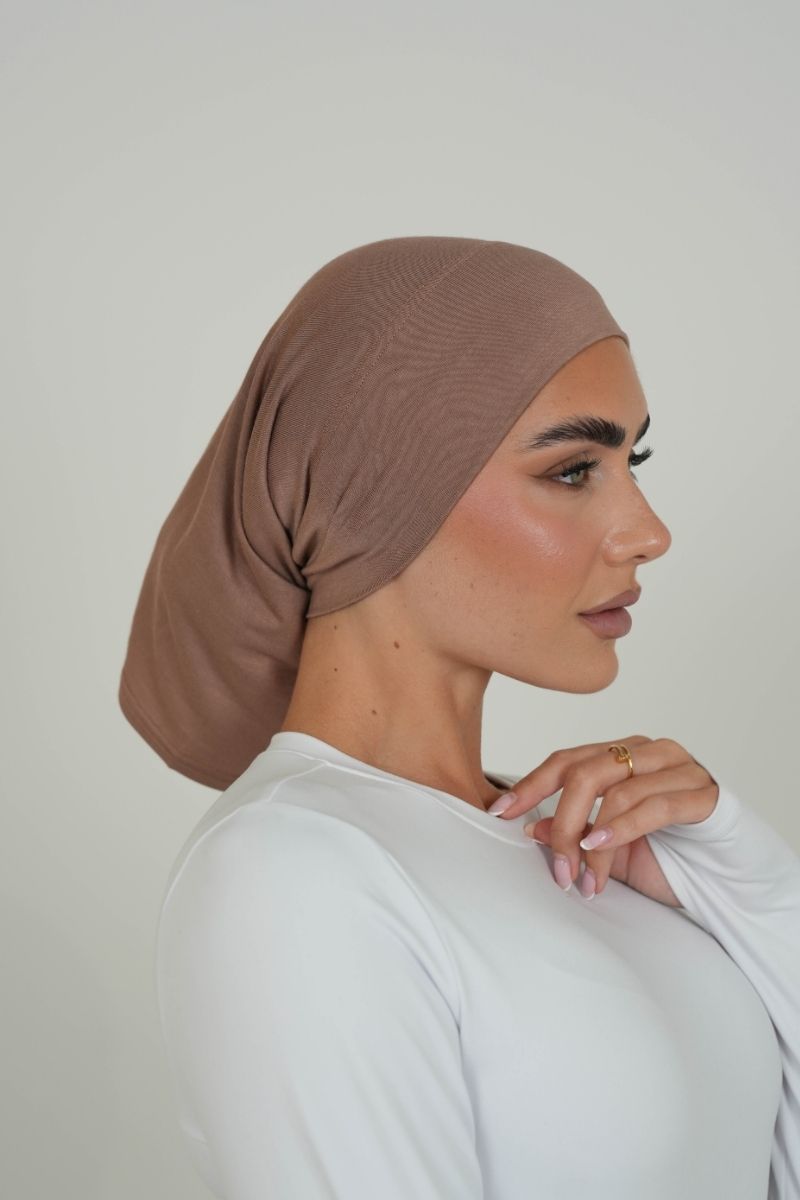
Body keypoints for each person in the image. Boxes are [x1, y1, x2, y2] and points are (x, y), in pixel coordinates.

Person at [121, 237, 799, 1197]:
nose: (649, 532)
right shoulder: (294, 873)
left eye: (633, 460)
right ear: (376, 492)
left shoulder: (594, 847)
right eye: (574, 470)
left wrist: (759, 884)